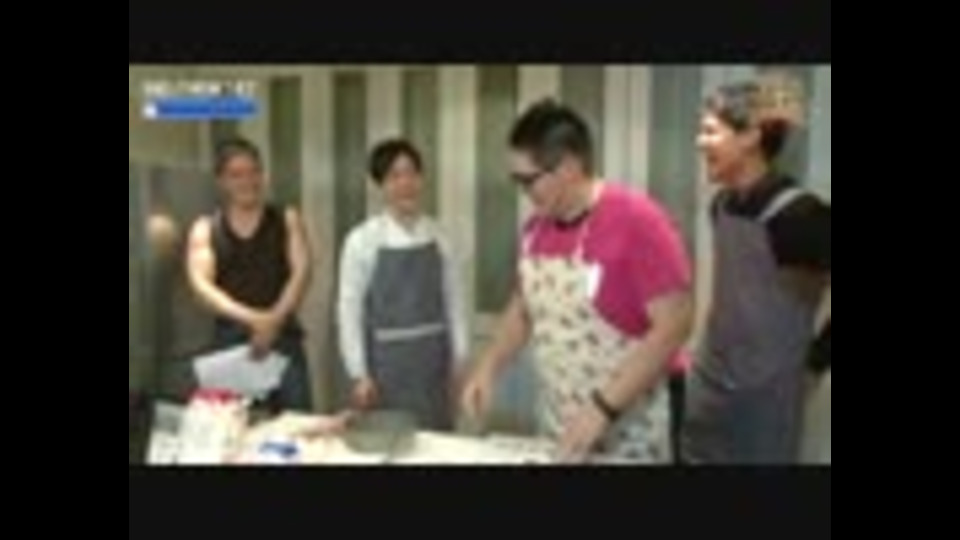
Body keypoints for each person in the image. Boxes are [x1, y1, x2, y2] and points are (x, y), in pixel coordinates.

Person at [460, 99, 694, 463]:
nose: (522, 191)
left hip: (629, 428)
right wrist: (488, 366)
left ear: (568, 167)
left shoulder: (637, 220)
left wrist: (602, 409)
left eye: (528, 180)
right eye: (516, 180)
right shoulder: (535, 230)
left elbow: (675, 326)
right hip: (560, 426)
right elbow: (522, 309)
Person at [684, 77, 831, 464]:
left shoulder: (801, 216)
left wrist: (815, 363)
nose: (700, 142)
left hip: (767, 400)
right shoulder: (722, 205)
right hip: (709, 383)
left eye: (710, 131)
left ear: (750, 136)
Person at [337, 138, 468, 431]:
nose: (405, 184)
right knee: (389, 440)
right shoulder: (362, 240)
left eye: (411, 173)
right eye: (394, 176)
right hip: (385, 367)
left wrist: (459, 360)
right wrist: (358, 373)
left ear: (421, 178)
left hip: (434, 365)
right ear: (380, 185)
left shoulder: (440, 236)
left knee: (437, 440)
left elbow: (455, 301)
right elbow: (349, 310)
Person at [185, 137, 314, 412]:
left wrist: (273, 321)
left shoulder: (287, 218)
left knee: (297, 422)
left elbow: (302, 271)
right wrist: (255, 320)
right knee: (232, 424)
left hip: (283, 335)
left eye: (254, 171)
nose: (248, 181)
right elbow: (202, 287)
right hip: (231, 342)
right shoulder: (205, 228)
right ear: (221, 181)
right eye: (236, 174)